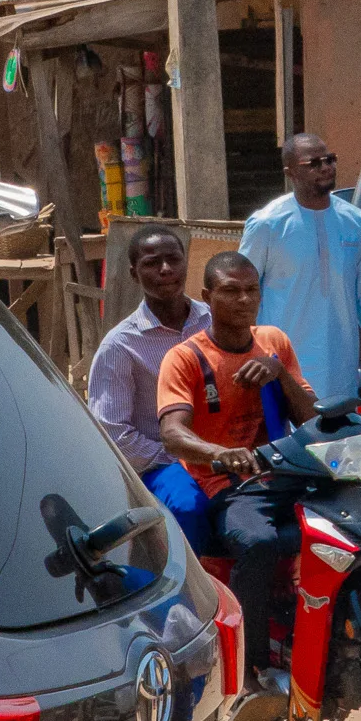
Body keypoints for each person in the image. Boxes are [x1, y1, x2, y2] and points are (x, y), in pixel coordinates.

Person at [157, 252, 320, 721]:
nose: (243, 299)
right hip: (231, 485)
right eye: (230, 290)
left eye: (251, 290)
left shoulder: (274, 342)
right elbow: (172, 433)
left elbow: (311, 419)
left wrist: (278, 372)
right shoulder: (186, 357)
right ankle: (249, 673)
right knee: (259, 543)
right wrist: (221, 454)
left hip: (285, 473)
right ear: (206, 296)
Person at [239, 131, 361, 405]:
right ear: (290, 173)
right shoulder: (267, 224)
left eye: (329, 159)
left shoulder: (356, 222)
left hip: (341, 370)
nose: (326, 167)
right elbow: (242, 295)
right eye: (314, 163)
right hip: (280, 369)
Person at [86, 225, 214, 551]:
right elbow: (113, 433)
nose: (166, 269)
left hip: (226, 450)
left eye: (173, 259)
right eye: (152, 263)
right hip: (164, 463)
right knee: (189, 507)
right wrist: (185, 456)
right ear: (134, 273)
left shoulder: (213, 321)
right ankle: (194, 580)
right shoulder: (120, 346)